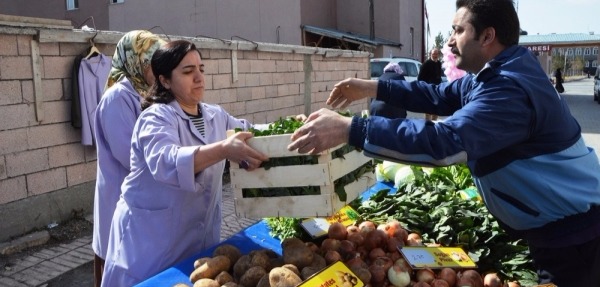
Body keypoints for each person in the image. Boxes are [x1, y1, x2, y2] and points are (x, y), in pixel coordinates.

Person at [287, 0, 600, 285]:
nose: (449, 40)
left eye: (458, 30)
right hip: (556, 228)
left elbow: (445, 142)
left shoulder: (508, 89)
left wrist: (351, 129)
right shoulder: (491, 74)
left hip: (574, 235)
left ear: (488, 36)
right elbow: (436, 95)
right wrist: (371, 88)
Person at [100, 40, 269, 286]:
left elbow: (251, 132)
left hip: (197, 240)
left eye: (201, 69)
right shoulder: (155, 118)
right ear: (165, 80)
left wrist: (292, 128)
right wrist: (223, 149)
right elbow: (167, 162)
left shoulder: (215, 115)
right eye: (188, 72)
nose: (199, 78)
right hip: (149, 247)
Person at [92, 30, 166, 287]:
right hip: (119, 198)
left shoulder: (148, 94)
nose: (158, 70)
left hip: (143, 201)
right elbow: (129, 155)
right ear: (134, 62)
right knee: (120, 267)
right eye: (151, 63)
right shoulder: (117, 98)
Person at [417, 47, 443, 121]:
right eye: (433, 54)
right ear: (430, 54)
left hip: (437, 89)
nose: (435, 55)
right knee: (428, 109)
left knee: (436, 108)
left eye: (436, 54)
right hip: (428, 89)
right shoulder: (426, 64)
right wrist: (423, 87)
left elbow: (438, 75)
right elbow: (419, 78)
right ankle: (428, 125)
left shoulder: (439, 63)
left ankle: (434, 124)